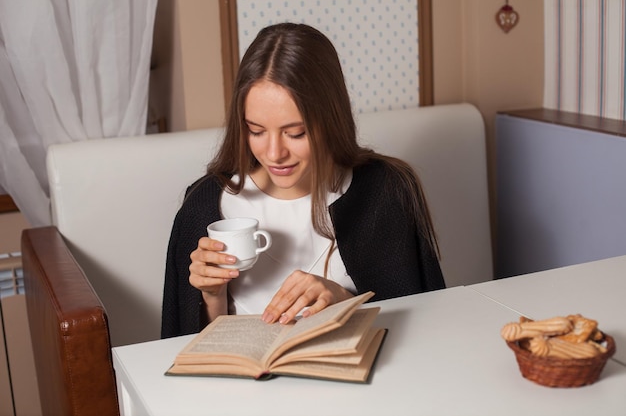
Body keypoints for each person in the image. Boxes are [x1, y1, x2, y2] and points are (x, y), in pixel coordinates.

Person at [161, 22, 445, 339]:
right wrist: (212, 295)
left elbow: (425, 329)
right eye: (255, 130)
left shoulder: (386, 192)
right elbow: (190, 345)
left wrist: (344, 302)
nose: (274, 153)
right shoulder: (205, 206)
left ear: (331, 119)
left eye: (295, 133)